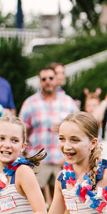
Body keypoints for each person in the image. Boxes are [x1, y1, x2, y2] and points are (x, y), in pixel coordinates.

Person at [19, 66, 78, 202]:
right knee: (35, 200)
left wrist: (66, 127)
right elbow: (21, 131)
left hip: (62, 158)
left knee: (64, 200)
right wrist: (22, 154)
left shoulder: (68, 102)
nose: (48, 81)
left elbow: (79, 128)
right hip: (38, 159)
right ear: (40, 81)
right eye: (44, 79)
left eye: (51, 78)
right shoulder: (30, 103)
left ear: (56, 79)